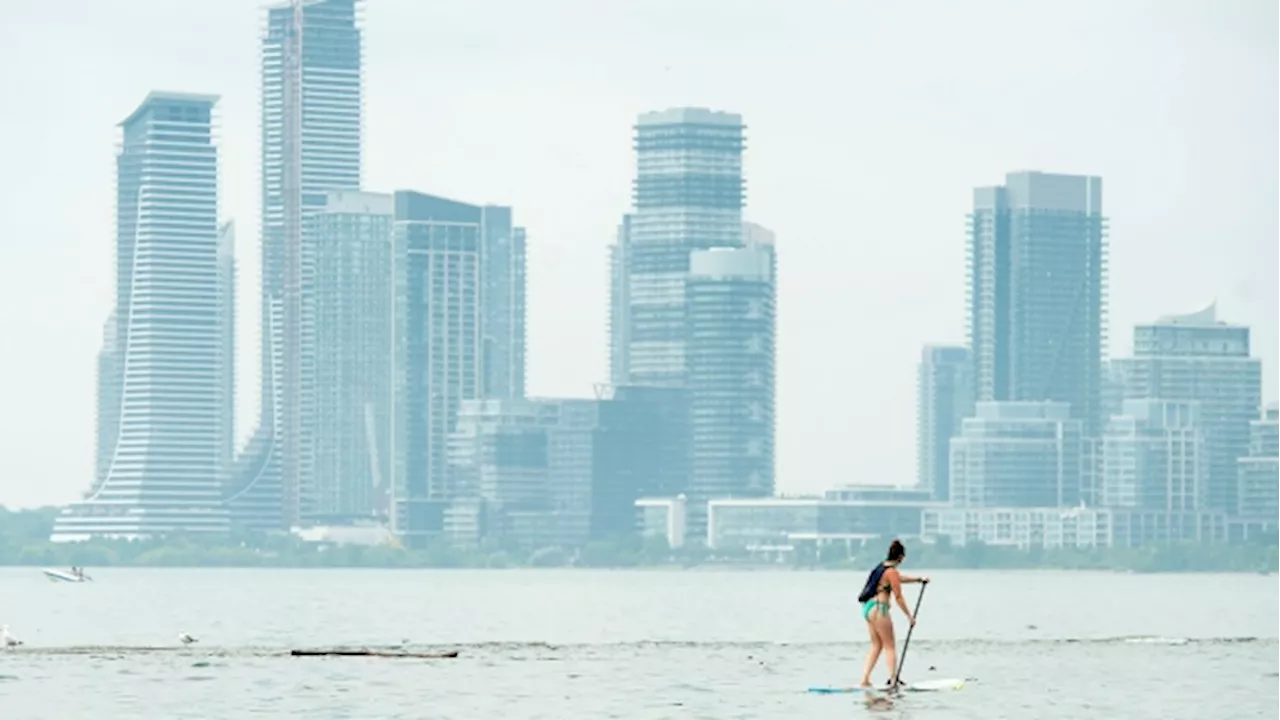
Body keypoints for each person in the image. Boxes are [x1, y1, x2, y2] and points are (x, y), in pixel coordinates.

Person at [858, 539, 928, 689]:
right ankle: (893, 679)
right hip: (880, 609)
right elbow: (898, 597)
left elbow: (898, 579)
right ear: (900, 557)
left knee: (876, 645)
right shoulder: (892, 571)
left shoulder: (881, 567)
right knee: (890, 646)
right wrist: (909, 617)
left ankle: (865, 679)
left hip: (868, 609)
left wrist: (918, 579)